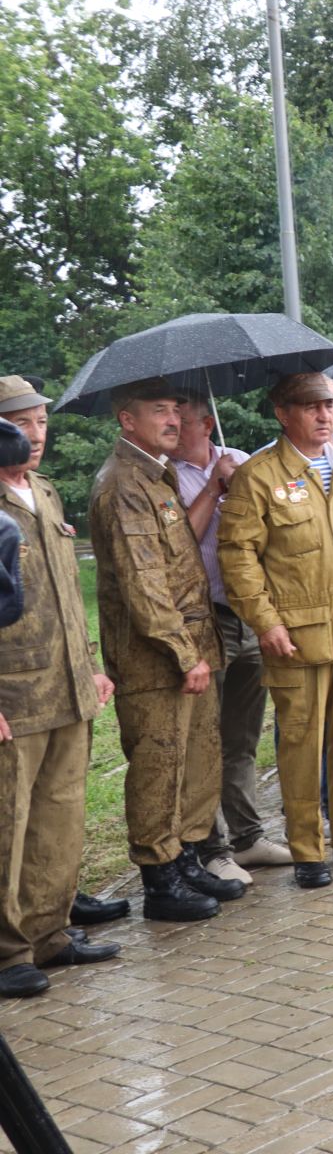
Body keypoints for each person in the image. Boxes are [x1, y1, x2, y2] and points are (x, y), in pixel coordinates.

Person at [217, 372, 333, 888]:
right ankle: (307, 849)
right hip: (297, 637)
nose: (326, 415)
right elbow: (238, 559)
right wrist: (266, 622)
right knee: (301, 743)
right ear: (283, 413)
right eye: (312, 406)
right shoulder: (258, 475)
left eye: (332, 404)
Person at [89, 379, 241, 920]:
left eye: (177, 410)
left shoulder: (159, 474)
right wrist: (183, 652)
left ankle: (189, 856)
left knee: (198, 758)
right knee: (158, 764)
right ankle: (159, 878)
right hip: (154, 659)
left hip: (193, 646)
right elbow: (143, 583)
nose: (174, 419)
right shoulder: (123, 483)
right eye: (160, 411)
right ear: (128, 421)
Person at [0, 381, 119, 998]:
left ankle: (50, 932)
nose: (38, 433)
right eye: (22, 422)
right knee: (7, 825)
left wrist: (91, 663)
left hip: (67, 686)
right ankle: (7, 950)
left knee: (60, 814)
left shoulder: (43, 492)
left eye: (42, 420)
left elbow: (65, 594)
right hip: (12, 697)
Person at [167, 392, 292, 885]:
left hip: (249, 612)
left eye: (182, 424)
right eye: (169, 423)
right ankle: (211, 847)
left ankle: (248, 836)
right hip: (204, 619)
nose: (173, 432)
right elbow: (177, 544)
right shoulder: (168, 478)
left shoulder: (241, 461)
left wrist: (240, 485)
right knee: (206, 739)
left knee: (242, 735)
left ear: (206, 425)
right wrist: (213, 490)